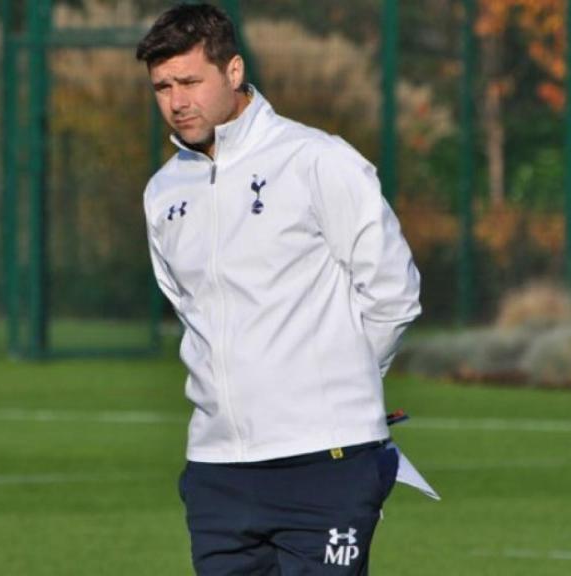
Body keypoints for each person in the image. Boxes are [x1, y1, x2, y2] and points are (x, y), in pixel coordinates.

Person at [137, 4, 423, 575]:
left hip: (326, 462)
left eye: (190, 81)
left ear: (234, 71)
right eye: (163, 86)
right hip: (217, 470)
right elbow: (189, 308)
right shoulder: (163, 192)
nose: (177, 100)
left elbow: (393, 292)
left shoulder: (316, 160)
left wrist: (342, 386)